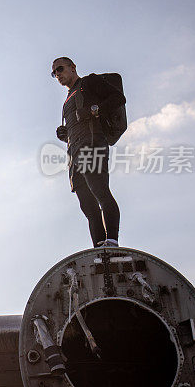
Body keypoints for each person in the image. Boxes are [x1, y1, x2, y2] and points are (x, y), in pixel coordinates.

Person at [52, 56, 126, 248]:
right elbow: (79, 122)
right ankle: (100, 248)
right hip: (74, 153)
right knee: (87, 206)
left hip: (92, 145)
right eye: (54, 73)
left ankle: (112, 241)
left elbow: (118, 98)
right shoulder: (66, 101)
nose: (57, 74)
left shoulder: (89, 82)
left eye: (60, 69)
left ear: (72, 67)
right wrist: (65, 134)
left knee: (99, 190)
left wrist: (94, 110)